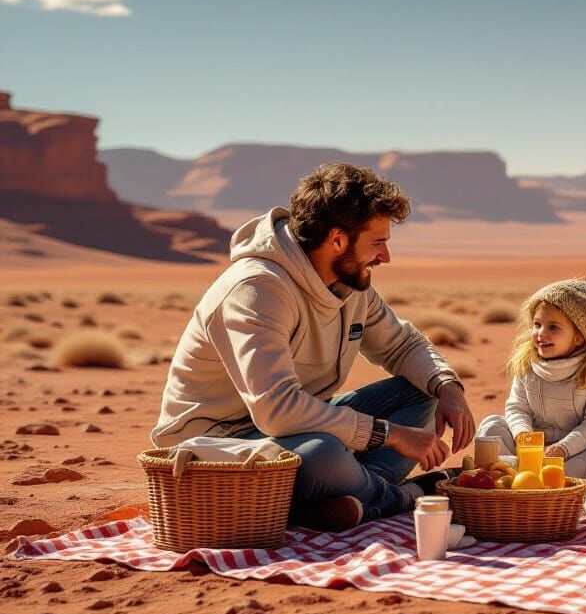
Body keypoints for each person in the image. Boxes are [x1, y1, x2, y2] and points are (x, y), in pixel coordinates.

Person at [151, 163, 475, 530]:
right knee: (322, 454)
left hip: (297, 428)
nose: (385, 257)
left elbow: (401, 344)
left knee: (421, 391)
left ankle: (346, 498)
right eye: (378, 242)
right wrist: (391, 434)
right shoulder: (257, 290)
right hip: (218, 448)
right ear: (337, 240)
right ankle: (399, 497)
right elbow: (278, 411)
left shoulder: (349, 282)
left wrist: (448, 387)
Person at [476, 272, 586, 479]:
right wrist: (522, 435)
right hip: (530, 448)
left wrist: (563, 448)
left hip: (576, 450)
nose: (540, 333)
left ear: (579, 336)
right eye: (537, 325)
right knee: (492, 426)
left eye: (553, 327)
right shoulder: (527, 363)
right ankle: (514, 475)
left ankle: (525, 477)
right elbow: (517, 407)